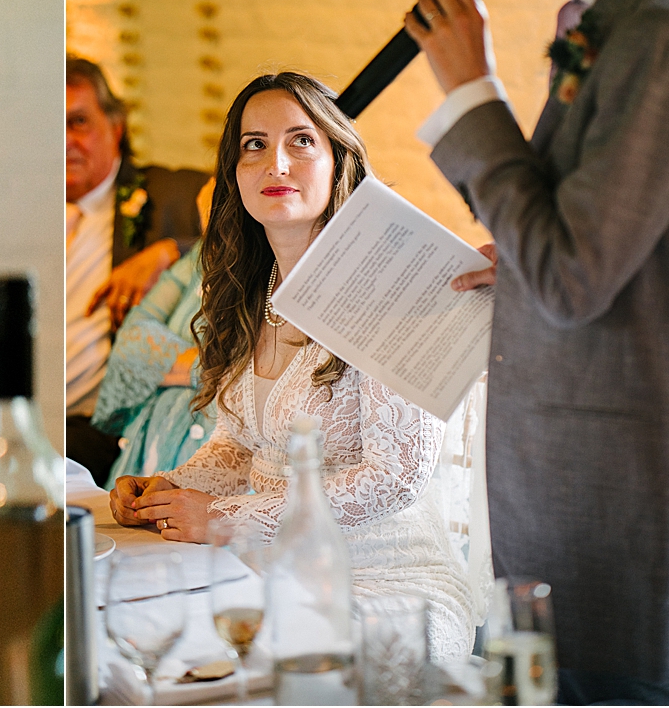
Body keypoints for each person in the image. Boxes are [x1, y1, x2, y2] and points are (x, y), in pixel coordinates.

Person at [404, 0, 669, 701]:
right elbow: (594, 242)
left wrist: (469, 88)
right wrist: (512, 254)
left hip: (619, 490)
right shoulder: (612, 10)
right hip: (558, 483)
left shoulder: (665, 24)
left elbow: (571, 277)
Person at [111, 73, 475, 663]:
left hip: (385, 588)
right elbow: (240, 446)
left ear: (339, 162)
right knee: (135, 638)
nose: (275, 162)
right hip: (269, 568)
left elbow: (396, 476)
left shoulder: (387, 289)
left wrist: (226, 517)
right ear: (234, 173)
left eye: (301, 141)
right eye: (253, 145)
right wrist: (170, 489)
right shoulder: (249, 292)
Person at [65, 55, 207, 479]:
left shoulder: (167, 193)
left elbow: (245, 215)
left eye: (78, 122)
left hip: (100, 424)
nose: (65, 140)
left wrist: (170, 248)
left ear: (116, 126)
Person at [92, 177, 217, 486]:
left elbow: (259, 367)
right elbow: (131, 339)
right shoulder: (196, 260)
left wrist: (164, 362)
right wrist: (208, 368)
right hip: (146, 448)